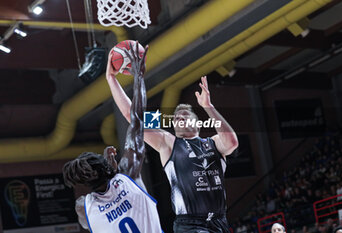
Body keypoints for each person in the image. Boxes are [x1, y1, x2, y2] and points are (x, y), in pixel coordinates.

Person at [106, 44, 238, 232]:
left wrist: (208, 107)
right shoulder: (168, 142)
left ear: (198, 123)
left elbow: (232, 142)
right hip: (190, 224)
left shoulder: (214, 142)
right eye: (176, 117)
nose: (180, 118)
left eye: (185, 115)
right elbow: (131, 116)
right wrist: (111, 79)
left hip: (220, 222)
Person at [62, 42, 163, 233]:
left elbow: (89, 209)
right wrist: (137, 77)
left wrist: (111, 172)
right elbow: (137, 120)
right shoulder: (128, 175)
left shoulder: (84, 208)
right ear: (106, 168)